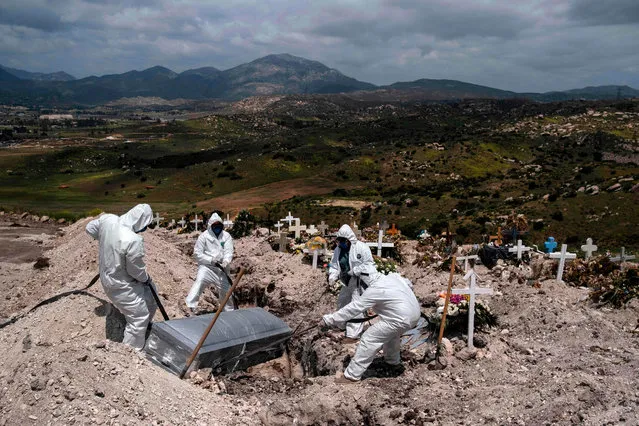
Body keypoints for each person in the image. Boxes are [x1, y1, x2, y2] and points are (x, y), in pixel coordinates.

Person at [321, 260, 421, 384]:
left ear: (363, 281)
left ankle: (351, 376)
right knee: (391, 334)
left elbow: (354, 308)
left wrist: (329, 319)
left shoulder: (374, 290)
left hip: (401, 318)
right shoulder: (393, 277)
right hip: (414, 315)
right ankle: (392, 362)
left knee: (369, 338)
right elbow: (409, 284)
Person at [86, 204, 158, 350]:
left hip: (109, 277)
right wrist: (146, 279)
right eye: (145, 225)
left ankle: (145, 329)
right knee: (139, 316)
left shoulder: (108, 220)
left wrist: (105, 241)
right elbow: (135, 270)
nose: (144, 229)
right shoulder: (133, 240)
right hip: (121, 285)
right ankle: (130, 352)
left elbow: (89, 228)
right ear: (142, 221)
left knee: (152, 296)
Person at [327, 224, 373, 341]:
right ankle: (341, 325)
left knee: (355, 306)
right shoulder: (338, 250)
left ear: (349, 240)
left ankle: (353, 334)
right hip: (346, 281)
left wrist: (356, 270)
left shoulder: (361, 248)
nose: (341, 243)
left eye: (343, 241)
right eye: (339, 241)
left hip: (359, 281)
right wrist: (333, 276)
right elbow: (334, 265)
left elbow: (369, 264)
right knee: (342, 302)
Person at [185, 212, 235, 312]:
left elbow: (229, 250)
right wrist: (210, 260)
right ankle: (190, 306)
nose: (217, 228)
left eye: (219, 226)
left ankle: (229, 312)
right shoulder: (203, 237)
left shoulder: (226, 236)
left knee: (227, 293)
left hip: (222, 269)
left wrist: (226, 261)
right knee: (199, 282)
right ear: (210, 226)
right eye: (215, 226)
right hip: (207, 268)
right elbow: (197, 254)